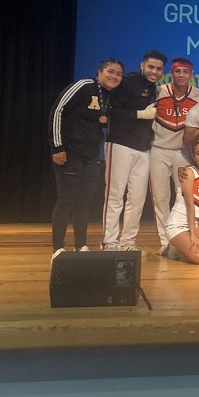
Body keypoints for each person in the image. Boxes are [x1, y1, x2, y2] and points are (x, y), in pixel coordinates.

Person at [49, 58, 124, 260]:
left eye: (118, 74)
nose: (114, 76)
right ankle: (58, 249)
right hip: (69, 152)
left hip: (91, 156)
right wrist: (57, 147)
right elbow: (57, 111)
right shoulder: (84, 86)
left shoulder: (110, 97)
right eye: (110, 71)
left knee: (84, 202)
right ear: (99, 72)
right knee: (66, 199)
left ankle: (81, 245)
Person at [102, 50, 166, 251]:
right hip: (120, 144)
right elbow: (112, 113)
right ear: (142, 66)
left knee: (137, 198)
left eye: (159, 69)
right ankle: (109, 242)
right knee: (115, 195)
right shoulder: (128, 82)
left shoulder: (153, 88)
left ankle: (127, 242)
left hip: (144, 147)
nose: (154, 71)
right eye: (151, 67)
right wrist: (140, 114)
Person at [149, 57, 199, 256]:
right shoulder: (158, 92)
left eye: (185, 72)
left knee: (184, 195)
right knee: (160, 197)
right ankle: (166, 242)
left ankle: (181, 237)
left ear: (191, 74)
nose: (181, 75)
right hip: (158, 148)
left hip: (183, 150)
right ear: (171, 73)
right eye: (177, 71)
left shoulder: (198, 95)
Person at [162, 140, 199, 264]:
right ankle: (175, 245)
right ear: (193, 157)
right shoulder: (189, 172)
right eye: (198, 153)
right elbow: (190, 205)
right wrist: (193, 234)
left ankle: (182, 246)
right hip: (178, 224)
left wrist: (198, 230)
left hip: (195, 224)